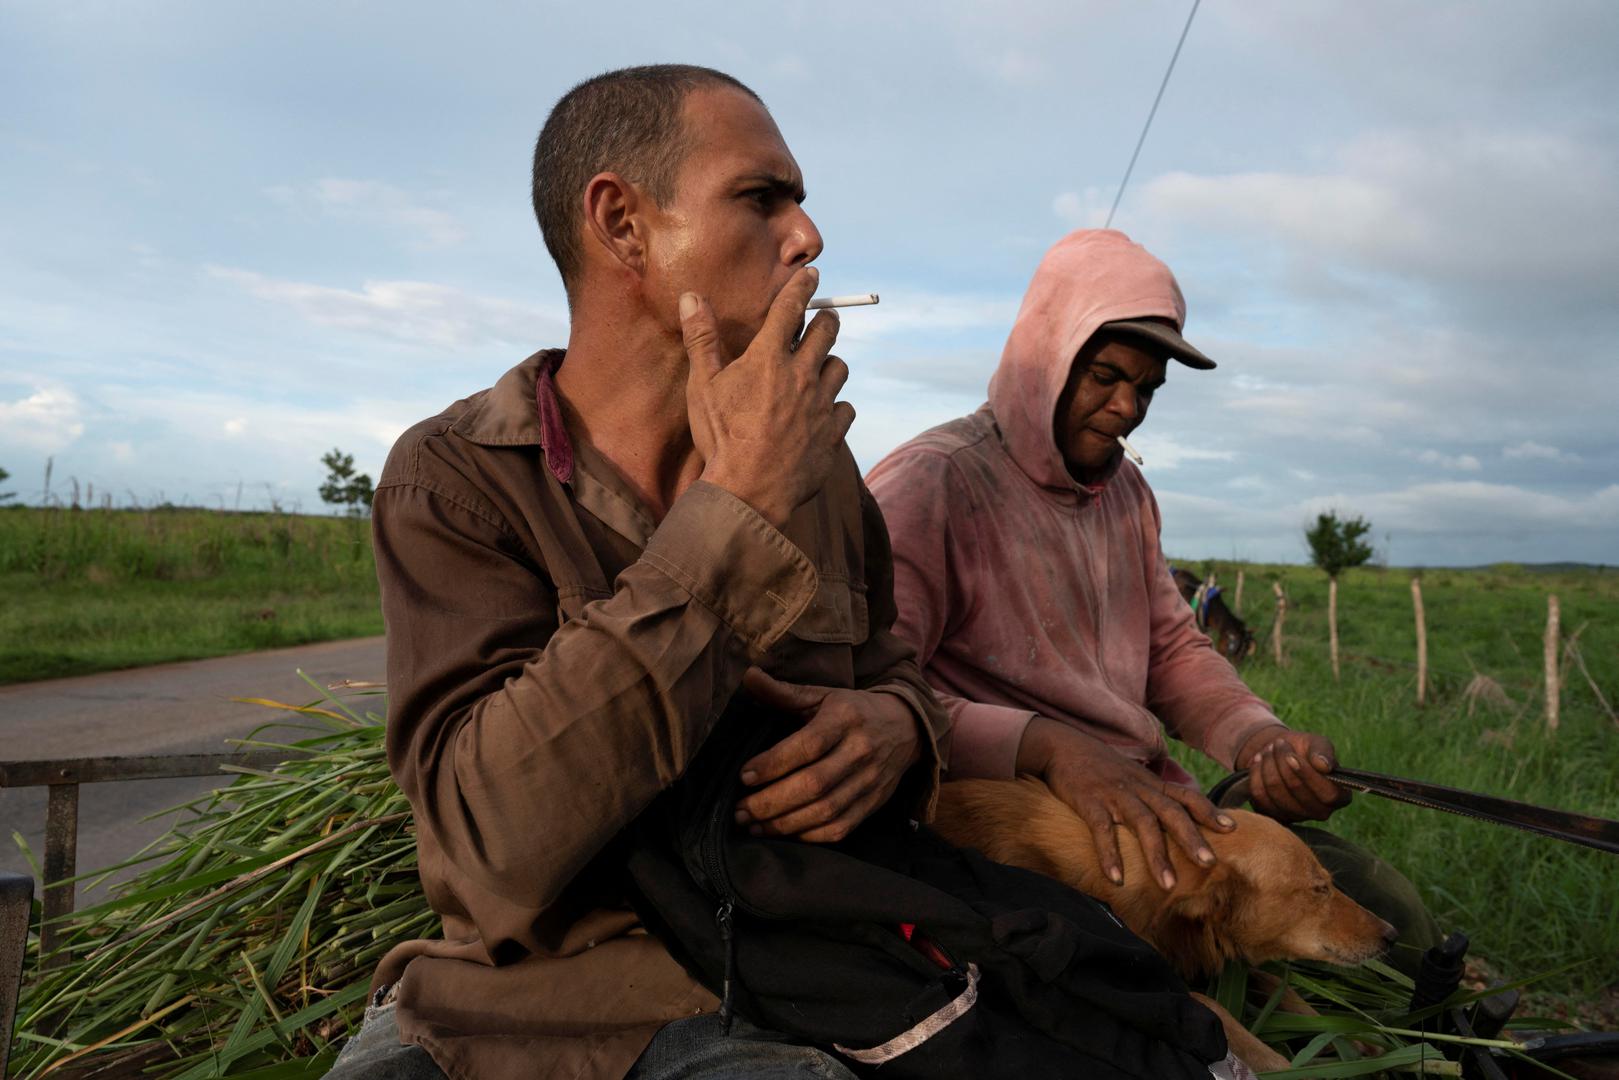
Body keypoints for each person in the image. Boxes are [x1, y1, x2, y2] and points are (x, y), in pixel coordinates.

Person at [327, 65, 947, 1080]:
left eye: (798, 201)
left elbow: (898, 673)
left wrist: (895, 731)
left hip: (780, 983)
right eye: (761, 198)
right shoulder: (455, 479)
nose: (807, 238)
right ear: (621, 225)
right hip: (510, 1006)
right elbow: (492, 847)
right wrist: (735, 512)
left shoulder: (822, 472)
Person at [866, 228, 1439, 961]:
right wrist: (1048, 748)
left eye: (1146, 388)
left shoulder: (1124, 492)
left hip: (1154, 809)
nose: (1125, 407)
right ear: (1042, 356)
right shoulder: (933, 483)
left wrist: (1256, 738)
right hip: (1031, 833)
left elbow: (1170, 650)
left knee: (1386, 910)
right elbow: (874, 691)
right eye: (1103, 375)